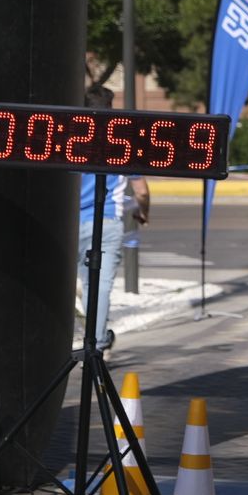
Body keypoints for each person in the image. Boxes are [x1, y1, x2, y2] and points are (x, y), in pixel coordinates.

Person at [77, 85, 150, 351]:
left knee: (82, 283)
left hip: (71, 224)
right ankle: (95, 342)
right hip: (107, 222)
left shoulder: (70, 136)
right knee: (99, 286)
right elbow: (141, 191)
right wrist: (143, 212)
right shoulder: (122, 141)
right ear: (110, 108)